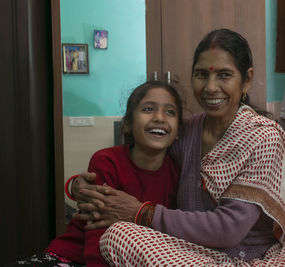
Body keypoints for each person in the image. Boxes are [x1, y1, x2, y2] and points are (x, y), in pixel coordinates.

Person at [71, 29, 285, 266]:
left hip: (259, 256)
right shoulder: (189, 129)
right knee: (119, 236)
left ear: (246, 80)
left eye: (224, 75)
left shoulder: (264, 137)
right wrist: (83, 185)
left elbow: (229, 229)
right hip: (193, 253)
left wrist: (142, 212)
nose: (210, 88)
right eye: (200, 76)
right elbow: (140, 161)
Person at [11, 80, 183, 266]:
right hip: (76, 255)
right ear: (127, 124)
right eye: (148, 109)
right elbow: (96, 232)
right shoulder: (107, 161)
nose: (159, 117)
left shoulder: (178, 172)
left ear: (179, 131)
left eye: (170, 111)